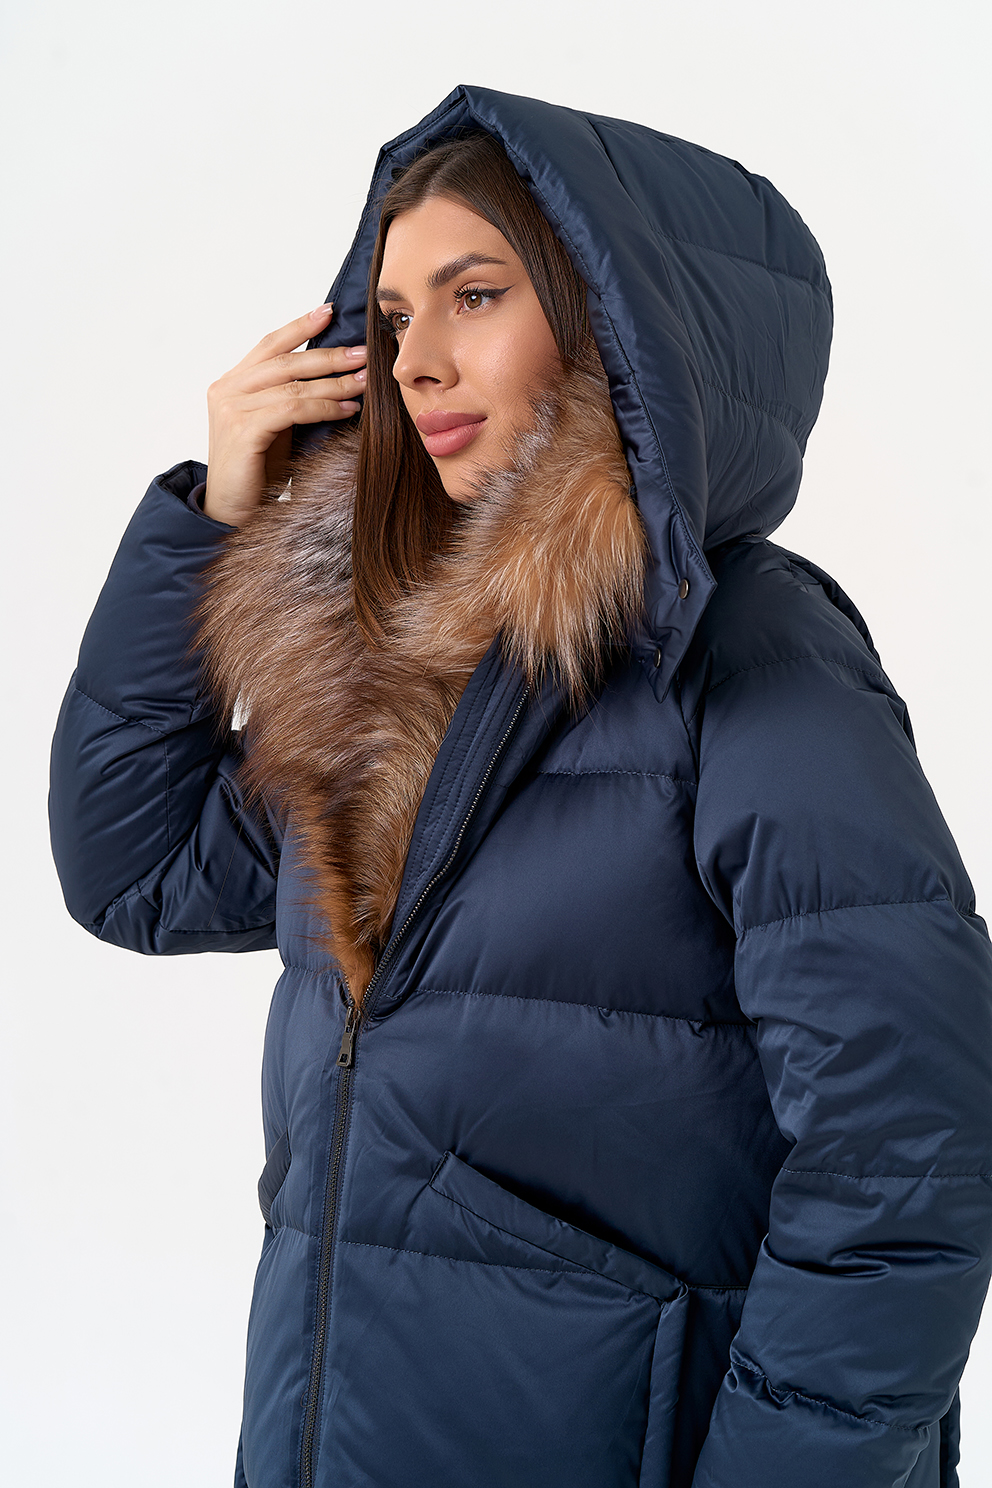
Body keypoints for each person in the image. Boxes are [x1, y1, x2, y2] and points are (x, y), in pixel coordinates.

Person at [48, 84, 992, 1488]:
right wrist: (214, 515)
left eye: (475, 295)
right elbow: (133, 869)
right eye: (390, 319)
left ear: (615, 320)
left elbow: (904, 1156)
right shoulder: (392, 665)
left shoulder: (744, 653)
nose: (416, 361)